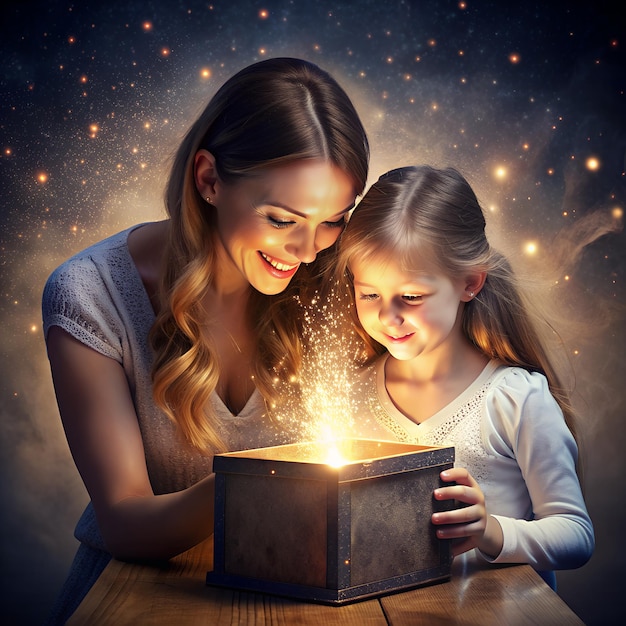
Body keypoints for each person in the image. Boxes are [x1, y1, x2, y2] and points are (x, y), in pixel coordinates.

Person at [42, 57, 369, 623]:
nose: (310, 250)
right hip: (135, 602)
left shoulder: (339, 282)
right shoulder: (88, 293)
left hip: (293, 600)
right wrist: (268, 477)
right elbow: (124, 520)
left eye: (333, 220)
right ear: (209, 179)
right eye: (282, 219)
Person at [336, 165, 594, 588]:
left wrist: (488, 531)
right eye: (369, 294)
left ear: (469, 282)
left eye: (412, 296)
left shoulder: (517, 400)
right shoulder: (353, 395)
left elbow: (576, 535)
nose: (388, 316)